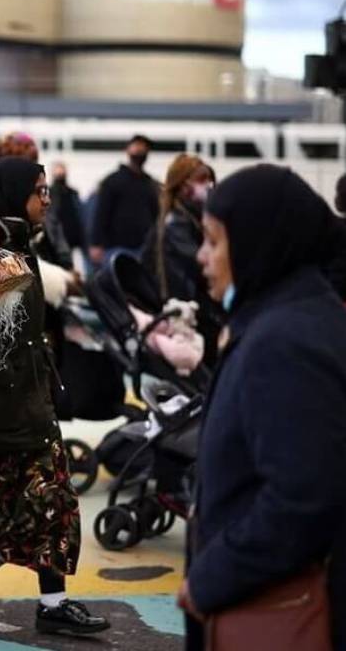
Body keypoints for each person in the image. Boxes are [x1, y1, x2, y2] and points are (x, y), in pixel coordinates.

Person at [0, 157, 111, 638]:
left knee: (51, 504)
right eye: (39, 191)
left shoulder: (19, 244)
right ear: (13, 194)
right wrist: (9, 377)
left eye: (48, 190)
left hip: (27, 411)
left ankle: (54, 602)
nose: (47, 199)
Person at [181, 165, 346, 651]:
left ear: (257, 243)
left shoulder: (285, 343)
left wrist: (209, 578)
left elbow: (304, 498)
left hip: (274, 606)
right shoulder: (294, 317)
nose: (202, 257)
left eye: (213, 241)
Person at [140, 154, 221, 366]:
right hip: (189, 314)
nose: (209, 185)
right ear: (184, 186)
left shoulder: (189, 218)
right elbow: (201, 265)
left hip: (189, 311)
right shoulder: (177, 224)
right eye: (202, 180)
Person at [89, 134, 159, 266]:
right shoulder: (112, 181)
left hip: (145, 249)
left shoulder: (150, 184)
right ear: (127, 150)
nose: (140, 150)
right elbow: (101, 213)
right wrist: (96, 243)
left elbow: (156, 215)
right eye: (137, 146)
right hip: (116, 248)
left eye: (144, 147)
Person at [49, 162, 85, 259]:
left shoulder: (72, 193)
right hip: (58, 237)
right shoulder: (50, 193)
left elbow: (79, 214)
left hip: (70, 236)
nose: (60, 175)